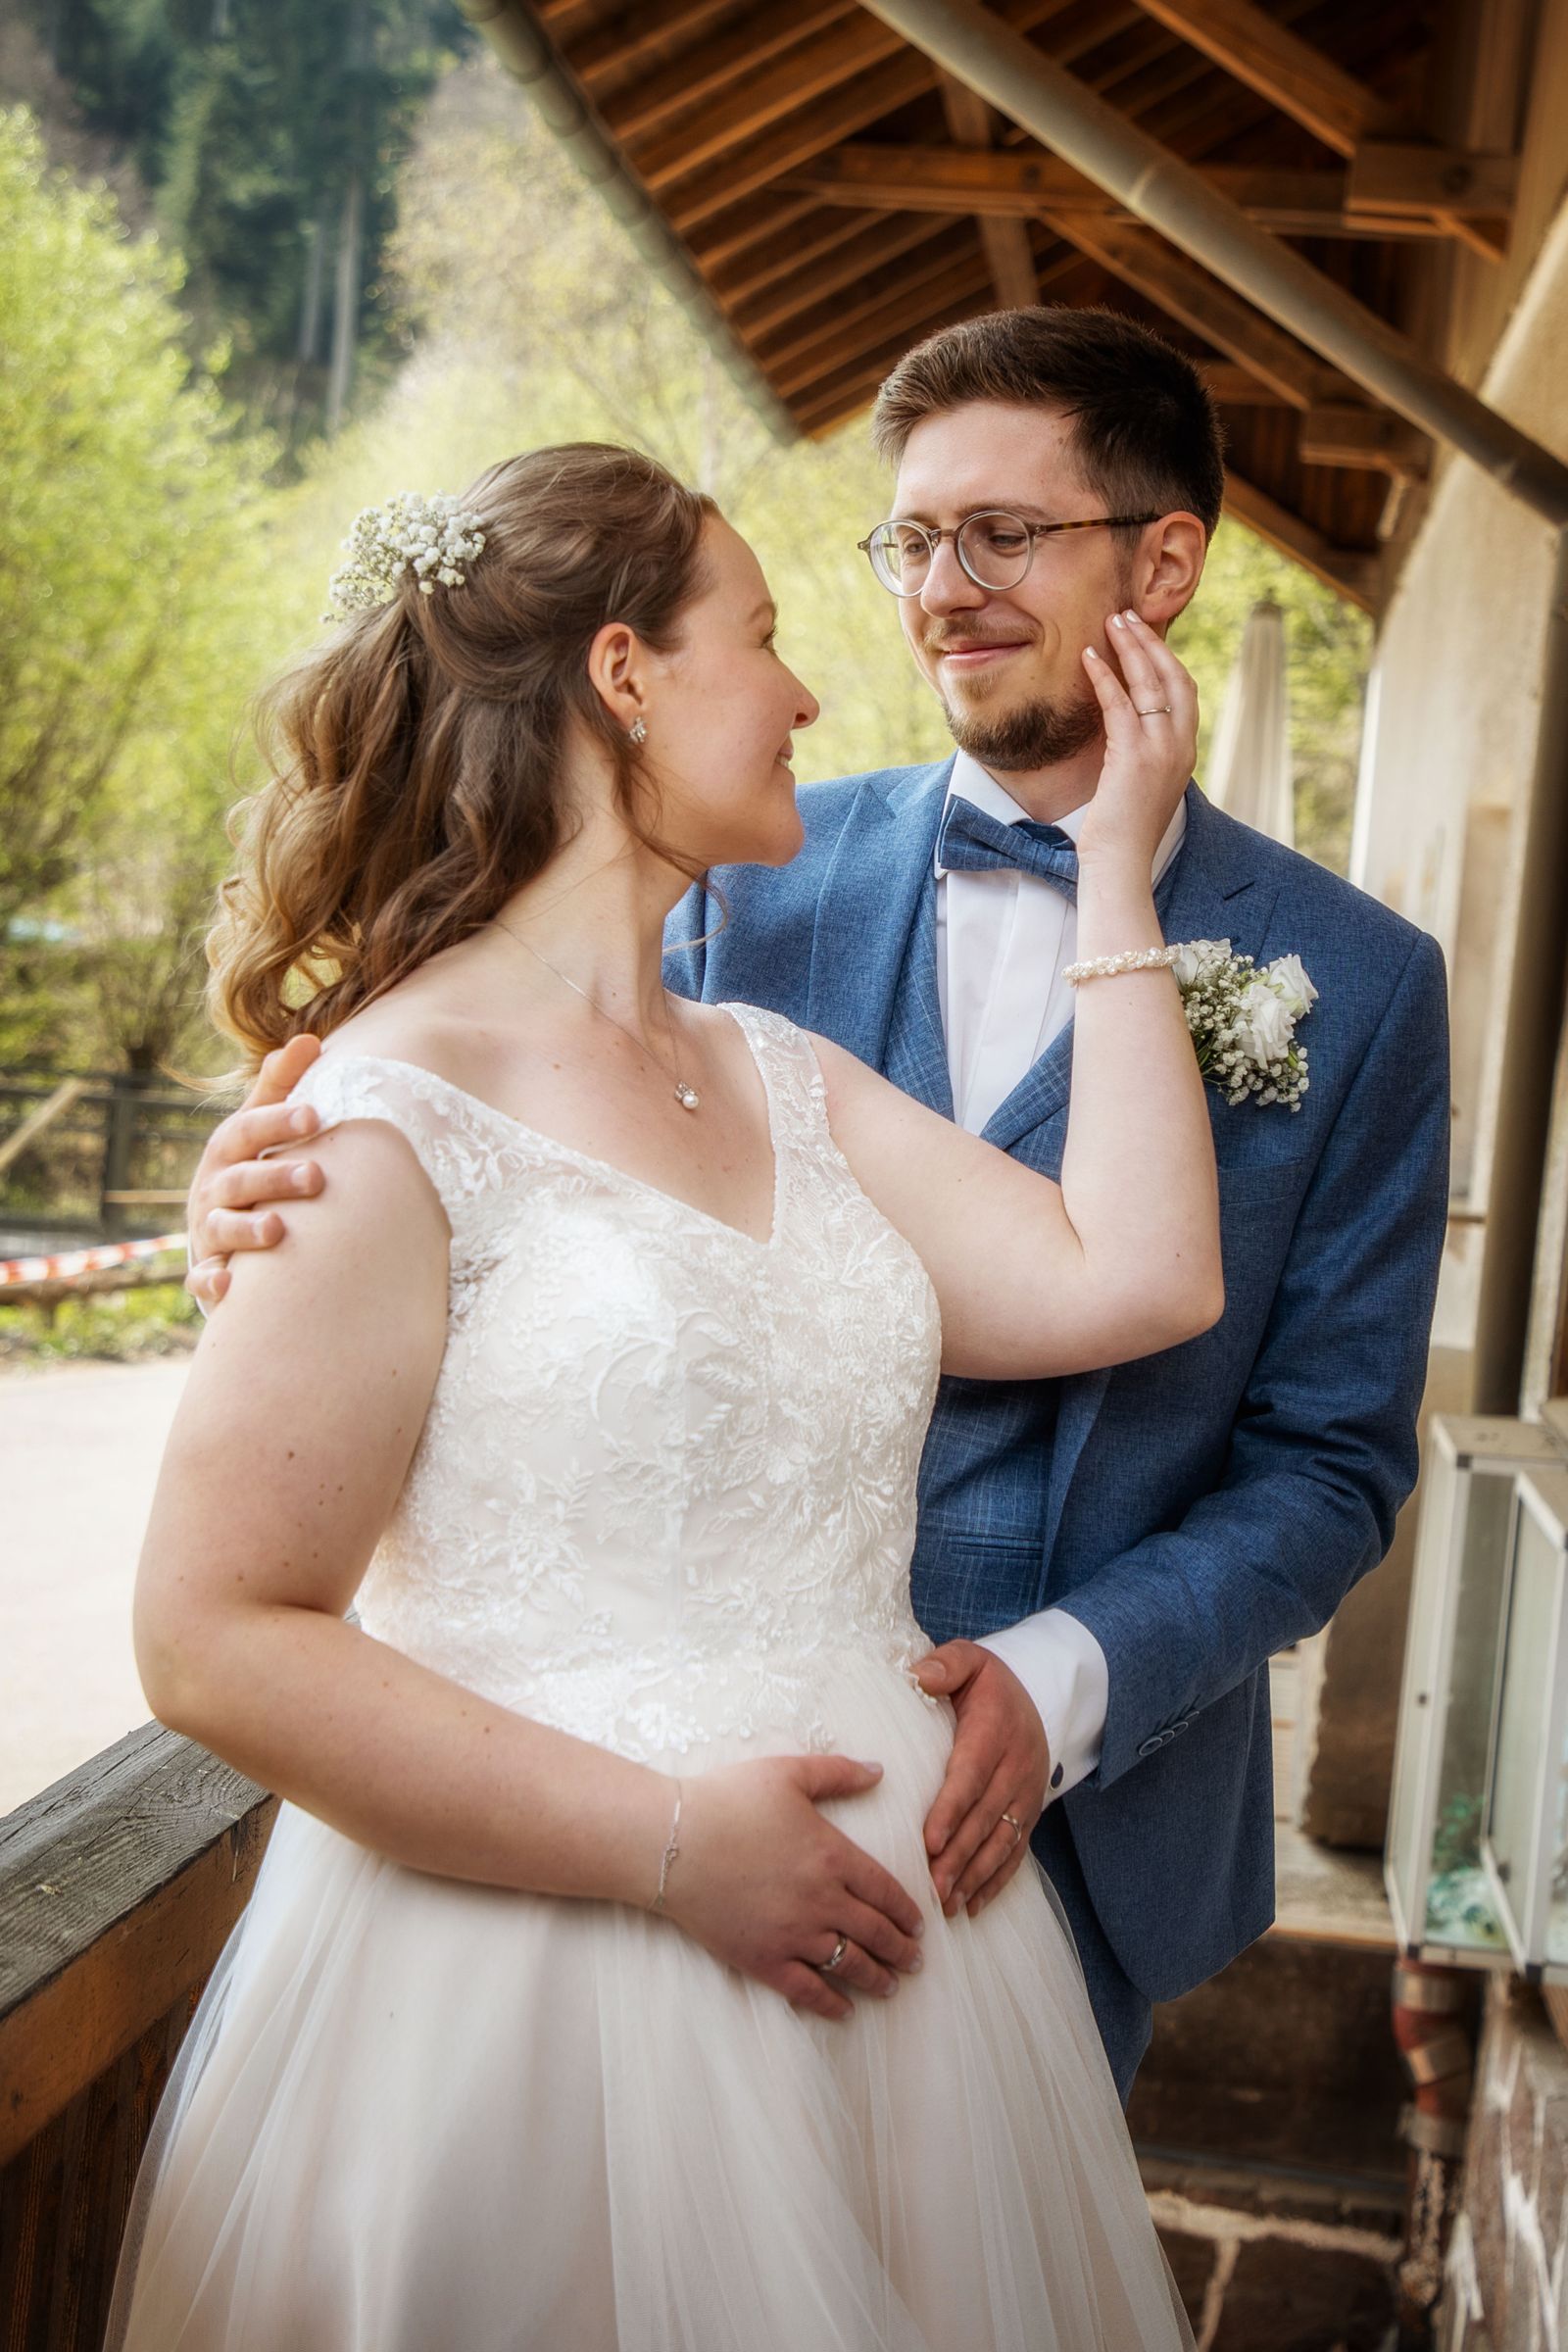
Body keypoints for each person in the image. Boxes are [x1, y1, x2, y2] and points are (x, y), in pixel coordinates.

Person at [194, 309, 1450, 2105]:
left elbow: (1330, 1458)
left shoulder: (1366, 981)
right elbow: (470, 1146)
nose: (941, 589)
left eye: (1006, 533)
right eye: (912, 539)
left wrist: (1073, 1673)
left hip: (1073, 1847)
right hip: (600, 1823)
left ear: (1164, 561)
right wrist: (257, 1200)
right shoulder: (728, 880)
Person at [110, 440, 1215, 2349]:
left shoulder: (780, 1070)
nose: (802, 692)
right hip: (543, 1987)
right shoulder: (376, 1112)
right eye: (763, 636)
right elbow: (211, 1637)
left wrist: (1114, 864)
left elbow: (1133, 1275)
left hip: (909, 2005)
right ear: (620, 673)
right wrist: (672, 1848)